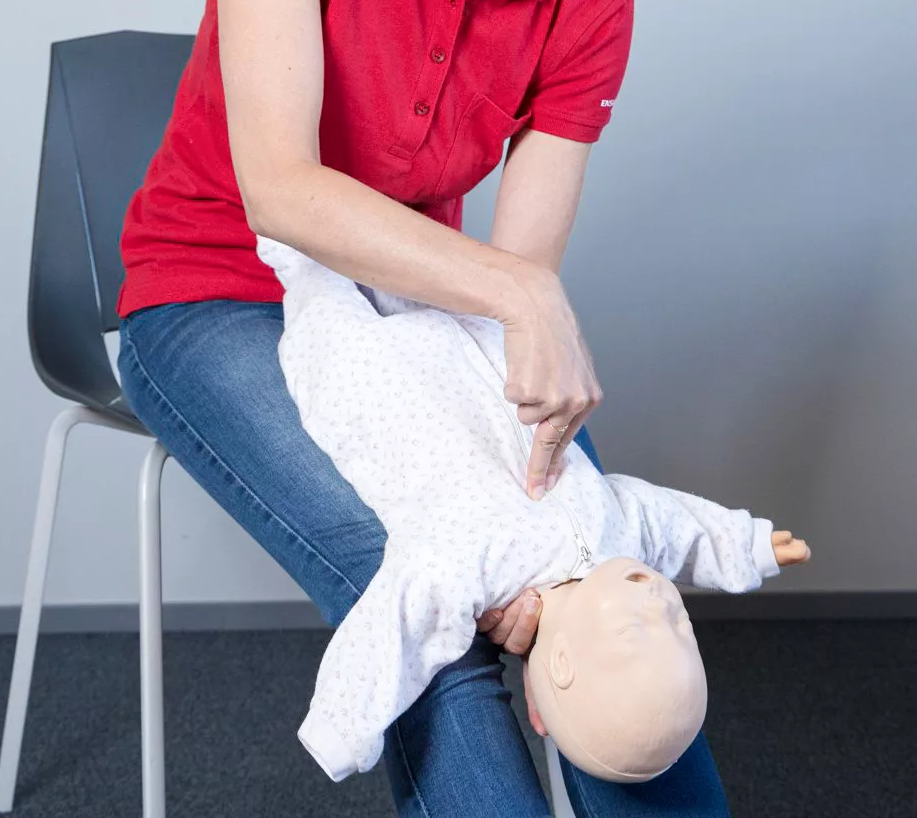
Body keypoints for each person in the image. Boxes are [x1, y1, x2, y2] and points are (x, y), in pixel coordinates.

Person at [116, 0, 745, 816]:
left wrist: (539, 516)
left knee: (598, 593)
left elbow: (521, 268)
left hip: (416, 317)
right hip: (217, 290)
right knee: (427, 599)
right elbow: (282, 192)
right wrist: (519, 297)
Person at [253, 232, 810, 785]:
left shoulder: (474, 564)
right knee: (404, 256)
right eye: (679, 623)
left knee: (321, 295)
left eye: (640, 629)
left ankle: (298, 247)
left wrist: (343, 723)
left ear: (562, 665)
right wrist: (746, 544)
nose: (656, 593)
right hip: (470, 342)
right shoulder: (620, 538)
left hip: (373, 383)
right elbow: (672, 525)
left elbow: (398, 621)